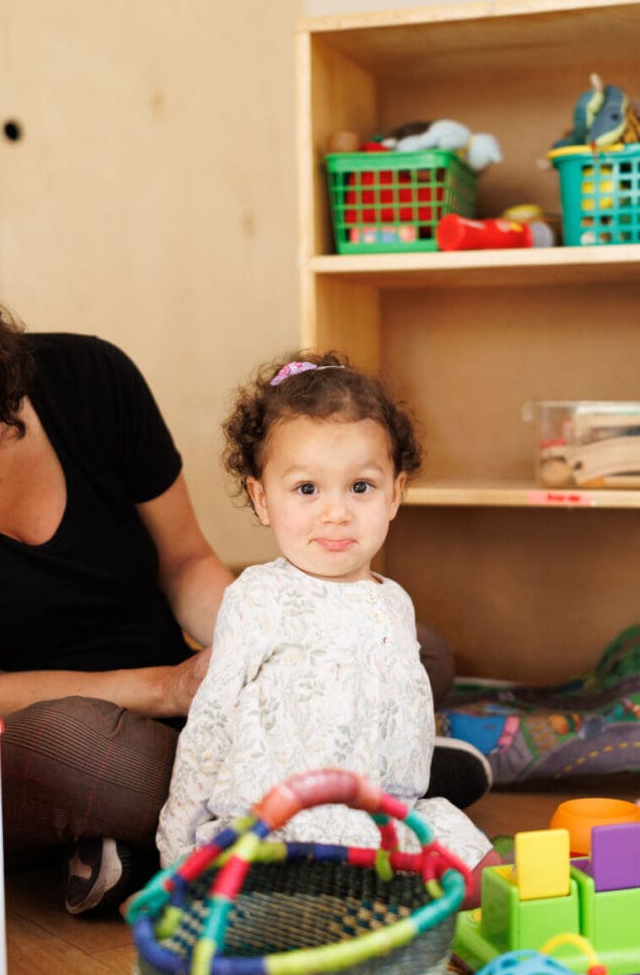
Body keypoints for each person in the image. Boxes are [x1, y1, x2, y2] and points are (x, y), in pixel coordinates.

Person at [0, 201, 489, 915]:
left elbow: (185, 565)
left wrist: (272, 632)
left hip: (177, 698)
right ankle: (362, 793)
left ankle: (193, 836)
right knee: (91, 758)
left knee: (400, 642)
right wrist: (167, 688)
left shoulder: (89, 379)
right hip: (30, 731)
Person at [156, 353, 501, 900]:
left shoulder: (395, 604)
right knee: (295, 876)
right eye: (307, 489)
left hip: (389, 814)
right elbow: (210, 725)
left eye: (360, 488)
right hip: (284, 819)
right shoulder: (258, 597)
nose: (336, 513)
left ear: (395, 494)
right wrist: (177, 857)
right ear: (262, 498)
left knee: (484, 866)